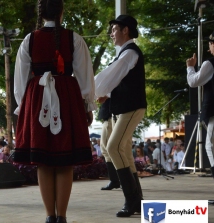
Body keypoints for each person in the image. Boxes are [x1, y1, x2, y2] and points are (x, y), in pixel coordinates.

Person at [13, 1, 95, 222]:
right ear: (61, 12)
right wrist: (88, 106)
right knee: (64, 160)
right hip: (67, 97)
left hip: (37, 99)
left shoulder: (29, 40)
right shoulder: (74, 38)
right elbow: (85, 77)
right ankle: (62, 216)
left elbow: (20, 82)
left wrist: (24, 108)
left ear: (41, 13)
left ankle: (50, 215)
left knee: (44, 161)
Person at [95, 15, 146, 217]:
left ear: (126, 30)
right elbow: (114, 79)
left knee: (113, 147)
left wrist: (92, 90)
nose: (112, 33)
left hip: (131, 108)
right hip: (127, 108)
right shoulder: (126, 53)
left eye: (115, 29)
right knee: (122, 150)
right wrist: (104, 93)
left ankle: (132, 200)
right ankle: (137, 200)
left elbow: (110, 75)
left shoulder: (129, 53)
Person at [186, 31, 214, 178]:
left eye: (210, 44)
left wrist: (190, 67)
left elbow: (193, 82)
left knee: (211, 145)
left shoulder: (209, 64)